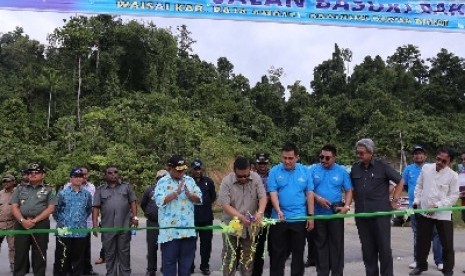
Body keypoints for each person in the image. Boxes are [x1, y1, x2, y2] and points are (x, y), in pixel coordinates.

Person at [350, 138, 404, 276]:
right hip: (362, 216)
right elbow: (352, 189)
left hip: (381, 215)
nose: (359, 155)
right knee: (368, 250)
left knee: (384, 249)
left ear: (370, 152)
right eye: (358, 153)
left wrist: (394, 200)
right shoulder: (355, 168)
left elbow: (400, 181)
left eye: (362, 153)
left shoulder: (382, 166)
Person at [409, 147, 459, 276]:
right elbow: (419, 186)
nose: (440, 162)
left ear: (450, 162)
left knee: (447, 245)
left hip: (443, 215)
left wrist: (437, 206)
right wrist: (417, 200)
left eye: (444, 161)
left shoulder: (453, 176)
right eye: (438, 159)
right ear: (435, 156)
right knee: (422, 242)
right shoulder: (426, 168)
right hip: (425, 212)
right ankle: (420, 266)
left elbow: (453, 196)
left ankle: (448, 270)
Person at [267, 142, 315, 276]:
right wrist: (278, 210)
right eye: (284, 158)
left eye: (290, 158)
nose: (287, 161)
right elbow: (273, 192)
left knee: (298, 252)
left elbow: (309, 193)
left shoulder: (305, 171)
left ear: (297, 157)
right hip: (279, 218)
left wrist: (310, 216)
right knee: (277, 253)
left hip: (299, 218)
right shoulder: (274, 171)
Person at [218, 156, 267, 276]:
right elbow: (225, 205)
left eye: (246, 175)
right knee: (230, 257)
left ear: (250, 169)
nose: (244, 178)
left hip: (250, 226)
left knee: (248, 258)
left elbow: (263, 197)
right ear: (234, 171)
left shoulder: (255, 178)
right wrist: (240, 217)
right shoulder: (226, 181)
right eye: (240, 176)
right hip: (231, 224)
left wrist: (260, 212)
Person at [154, 155, 202, 276]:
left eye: (183, 169)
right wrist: (175, 193)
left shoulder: (190, 181)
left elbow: (199, 199)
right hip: (170, 233)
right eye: (178, 169)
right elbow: (159, 201)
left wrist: (190, 194)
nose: (181, 172)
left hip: (188, 232)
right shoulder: (162, 182)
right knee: (169, 265)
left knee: (186, 266)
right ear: (170, 167)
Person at [311, 144, 353, 276]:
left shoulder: (342, 171)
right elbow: (308, 190)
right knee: (320, 245)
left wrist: (346, 206)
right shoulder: (313, 170)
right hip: (319, 213)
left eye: (327, 158)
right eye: (321, 157)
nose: (323, 160)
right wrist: (318, 198)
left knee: (336, 245)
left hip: (335, 213)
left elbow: (349, 190)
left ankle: (337, 273)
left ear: (334, 157)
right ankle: (322, 272)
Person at [10, 163, 57, 276]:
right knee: (20, 254)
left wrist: (34, 220)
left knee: (39, 254)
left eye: (37, 172)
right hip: (21, 224)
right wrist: (22, 221)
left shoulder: (49, 189)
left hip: (40, 224)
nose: (33, 174)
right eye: (30, 172)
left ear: (43, 175)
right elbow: (14, 206)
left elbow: (51, 208)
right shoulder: (20, 188)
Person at [92, 165, 138, 276]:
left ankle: (125, 274)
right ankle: (111, 273)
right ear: (105, 175)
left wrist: (135, 217)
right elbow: (96, 207)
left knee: (124, 253)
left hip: (124, 226)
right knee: (109, 254)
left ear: (119, 174)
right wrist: (94, 225)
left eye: (115, 172)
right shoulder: (100, 189)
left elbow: (133, 202)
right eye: (110, 173)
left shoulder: (126, 187)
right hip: (108, 228)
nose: (113, 174)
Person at [402, 145, 443, 270]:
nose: (418, 155)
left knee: (436, 234)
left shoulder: (432, 168)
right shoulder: (408, 169)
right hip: (414, 207)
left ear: (425, 156)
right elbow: (405, 186)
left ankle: (439, 261)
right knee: (418, 234)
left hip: (431, 206)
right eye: (415, 153)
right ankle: (417, 260)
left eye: (420, 153)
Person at [53, 168, 93, 276]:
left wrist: (80, 220)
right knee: (62, 259)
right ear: (70, 178)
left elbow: (88, 209)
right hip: (64, 230)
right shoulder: (62, 193)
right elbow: (55, 210)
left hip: (80, 231)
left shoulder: (87, 194)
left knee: (78, 260)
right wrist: (63, 221)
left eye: (81, 176)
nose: (79, 179)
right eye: (76, 176)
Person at [64, 165, 99, 276]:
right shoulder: (67, 187)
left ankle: (87, 270)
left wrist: (95, 224)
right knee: (69, 248)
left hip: (86, 223)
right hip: (70, 224)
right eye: (79, 174)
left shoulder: (92, 187)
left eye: (84, 174)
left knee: (85, 248)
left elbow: (94, 207)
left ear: (87, 175)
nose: (82, 176)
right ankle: (69, 270)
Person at [190, 159, 216, 275]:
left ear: (202, 169)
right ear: (192, 169)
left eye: (199, 169)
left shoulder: (208, 181)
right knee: (190, 244)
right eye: (195, 169)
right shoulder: (188, 181)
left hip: (206, 218)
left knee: (206, 244)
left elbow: (213, 197)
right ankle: (190, 265)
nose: (197, 171)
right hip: (191, 219)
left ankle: (204, 266)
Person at [140, 169, 168, 276]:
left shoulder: (171, 190)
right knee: (152, 247)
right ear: (156, 179)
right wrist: (149, 213)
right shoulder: (150, 190)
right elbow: (143, 204)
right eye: (159, 178)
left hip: (167, 223)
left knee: (166, 247)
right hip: (153, 223)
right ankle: (151, 269)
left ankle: (166, 268)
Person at [252, 152, 272, 276]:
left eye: (264, 163)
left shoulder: (274, 175)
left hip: (272, 213)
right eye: (260, 163)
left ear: (268, 163)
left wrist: (267, 198)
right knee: (257, 247)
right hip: (256, 215)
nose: (262, 165)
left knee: (274, 247)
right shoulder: (251, 176)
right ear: (256, 163)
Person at [0, 174, 16, 272]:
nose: (5, 183)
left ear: (13, 182)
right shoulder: (0, 193)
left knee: (13, 246)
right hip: (0, 224)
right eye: (4, 181)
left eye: (8, 181)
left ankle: (13, 264)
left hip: (12, 224)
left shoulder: (17, 193)